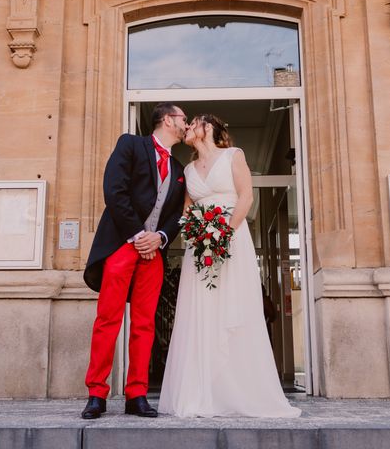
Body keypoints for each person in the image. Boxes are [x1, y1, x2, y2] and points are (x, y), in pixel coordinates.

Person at [158, 114, 301, 418]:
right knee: (201, 311)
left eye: (193, 123)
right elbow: (187, 209)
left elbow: (246, 196)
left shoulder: (234, 156)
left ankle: (239, 390)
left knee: (233, 307)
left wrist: (224, 234)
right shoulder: (188, 168)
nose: (187, 128)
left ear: (208, 128)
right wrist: (197, 233)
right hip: (200, 245)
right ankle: (201, 392)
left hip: (232, 238)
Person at [81, 103, 187, 419]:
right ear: (168, 120)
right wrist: (138, 235)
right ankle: (96, 394)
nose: (186, 124)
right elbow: (114, 191)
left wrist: (160, 238)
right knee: (107, 319)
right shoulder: (130, 144)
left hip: (153, 252)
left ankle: (136, 394)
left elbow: (178, 216)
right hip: (122, 245)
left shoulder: (179, 169)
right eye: (183, 119)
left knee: (145, 323)